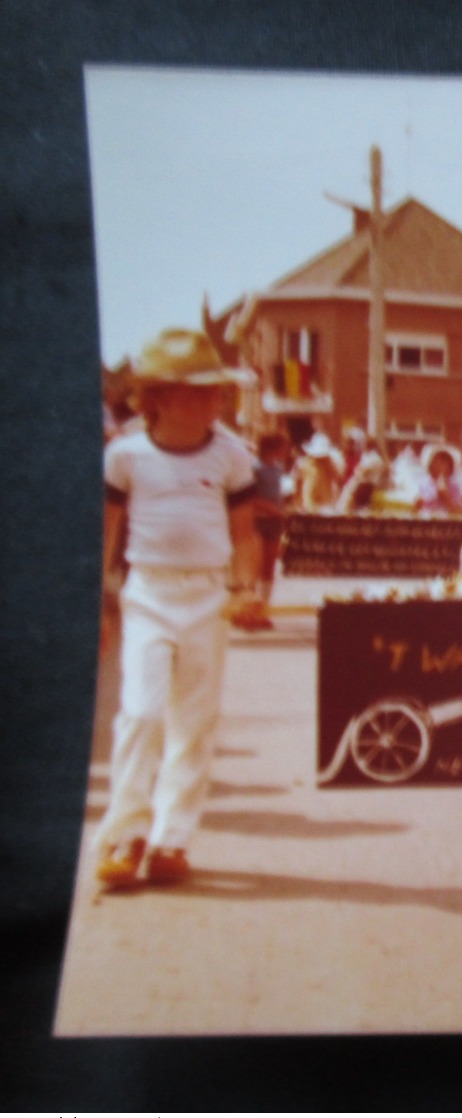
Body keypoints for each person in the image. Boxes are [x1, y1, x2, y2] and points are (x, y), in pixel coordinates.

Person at [94, 328, 265, 890]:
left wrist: (246, 591)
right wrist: (101, 605)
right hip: (148, 594)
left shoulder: (231, 454)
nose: (213, 400)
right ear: (160, 397)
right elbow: (106, 532)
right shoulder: (125, 456)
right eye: (199, 391)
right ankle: (125, 833)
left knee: (193, 723)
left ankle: (172, 839)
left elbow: (245, 534)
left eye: (216, 390)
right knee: (141, 714)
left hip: (207, 599)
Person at [251, 432, 291, 617]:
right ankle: (249, 608)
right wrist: (273, 510)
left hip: (274, 521)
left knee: (269, 566)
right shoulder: (254, 468)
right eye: (283, 446)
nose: (286, 450)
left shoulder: (277, 468)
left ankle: (264, 608)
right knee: (254, 566)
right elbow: (251, 498)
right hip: (257, 520)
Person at [417, 444, 462, 516]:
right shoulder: (424, 485)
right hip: (427, 521)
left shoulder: (454, 487)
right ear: (430, 465)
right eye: (437, 463)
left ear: (450, 467)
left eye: (445, 463)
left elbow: (459, 512)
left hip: (447, 523)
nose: (441, 466)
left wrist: (446, 496)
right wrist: (419, 502)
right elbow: (416, 508)